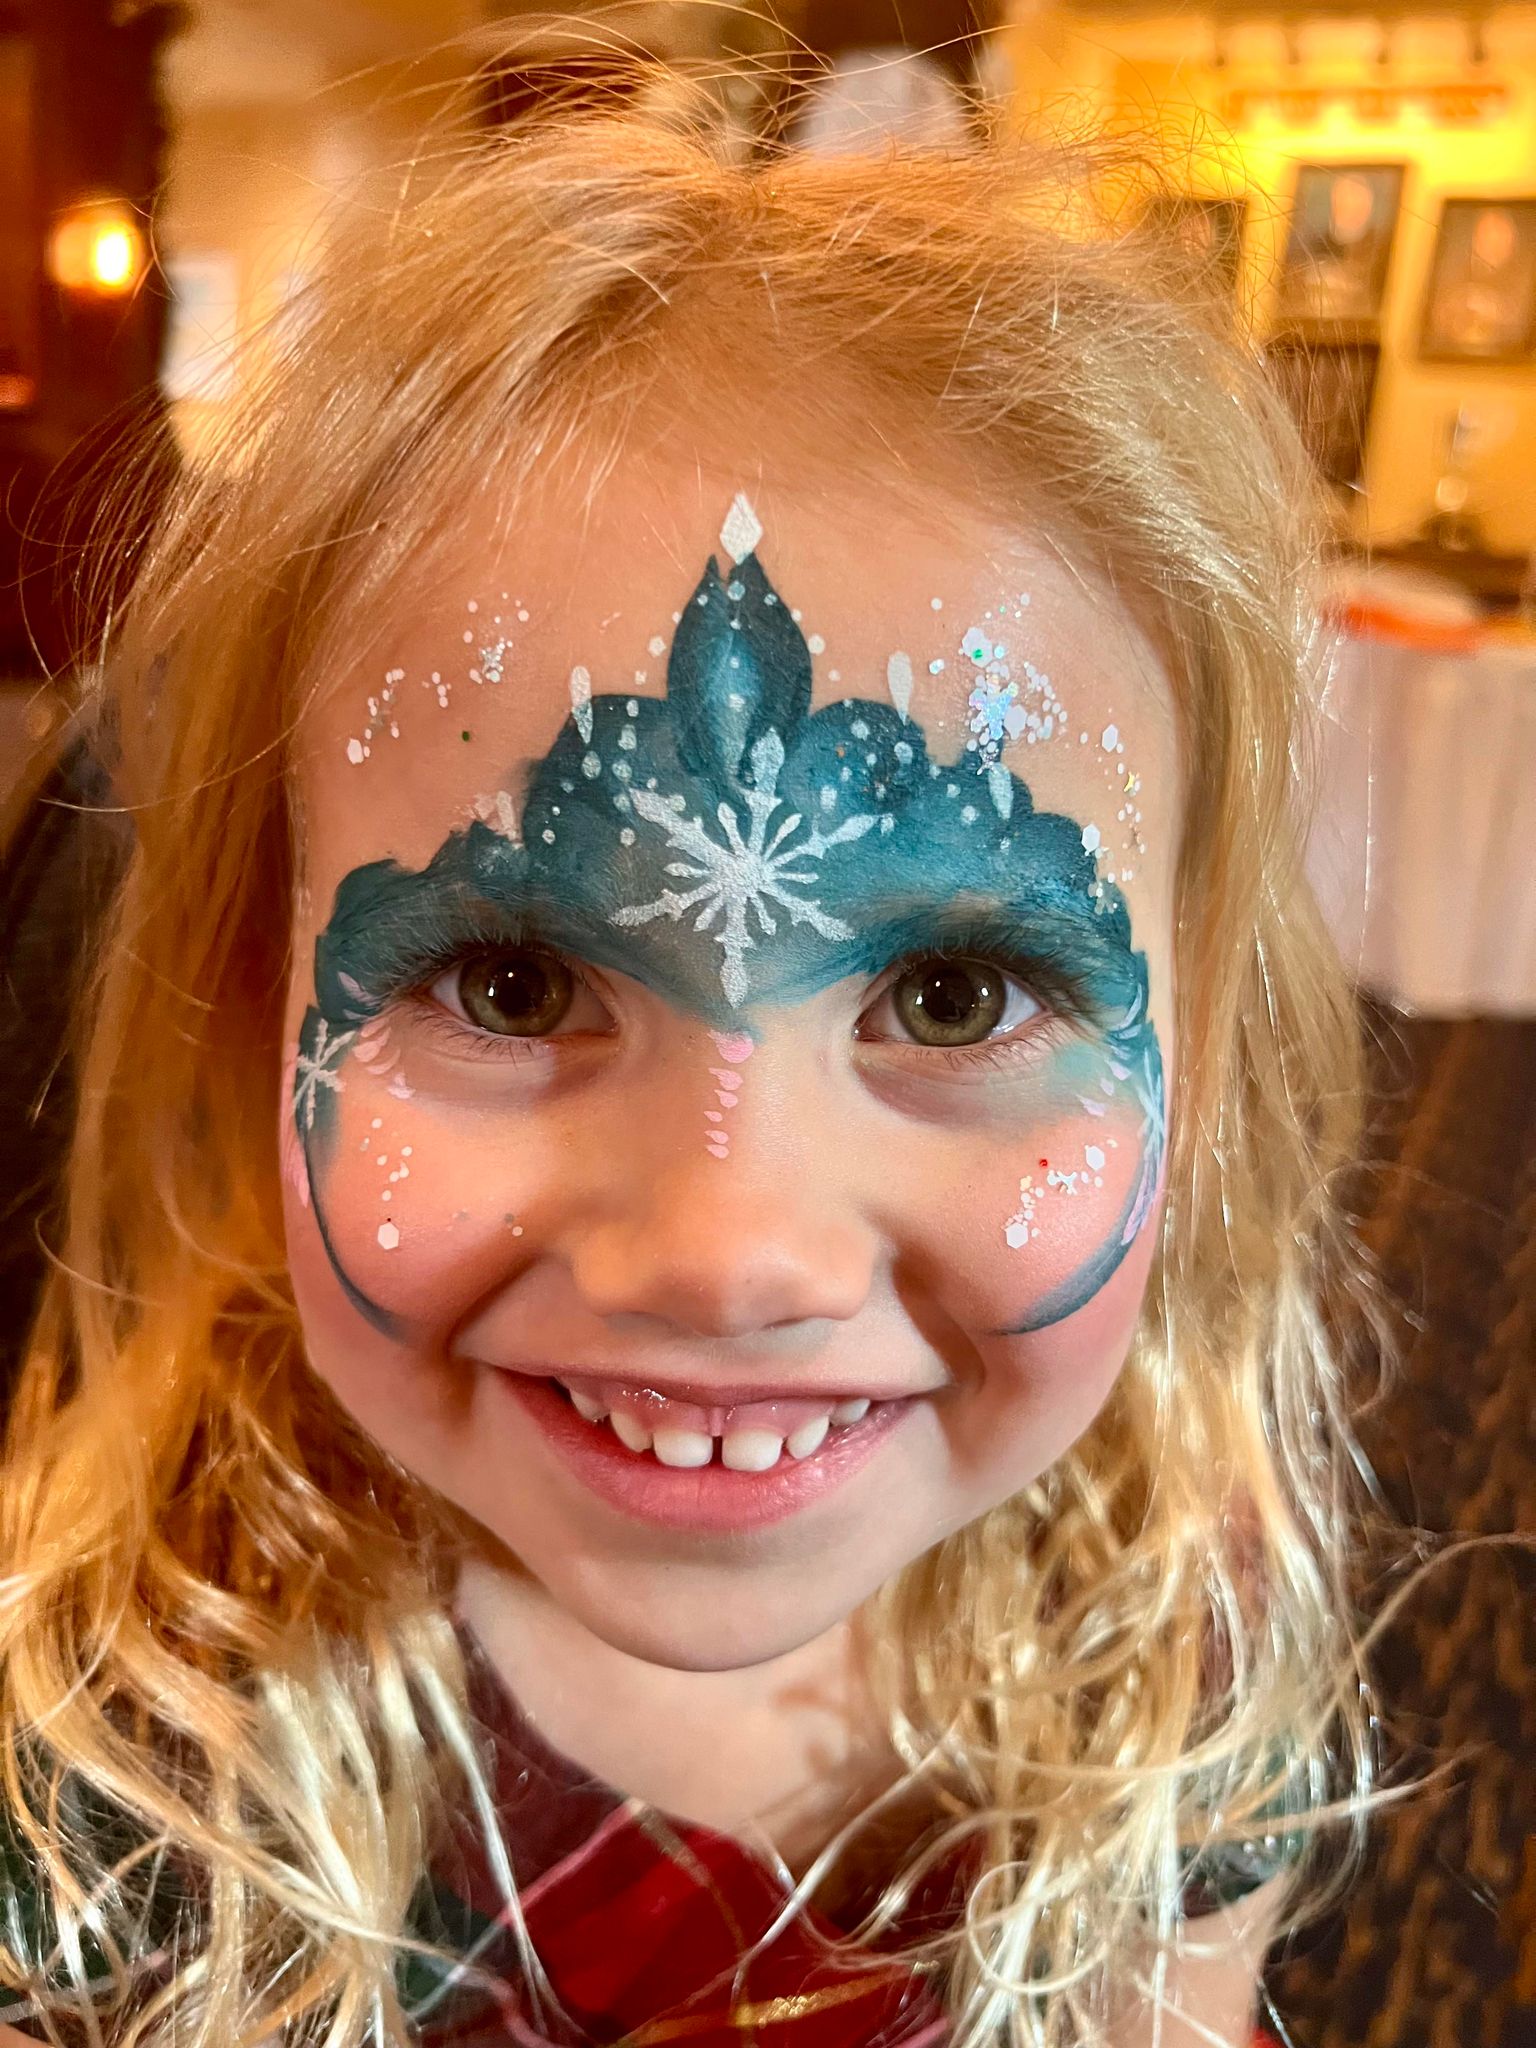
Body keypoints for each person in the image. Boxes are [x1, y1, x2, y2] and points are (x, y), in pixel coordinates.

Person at [0, 105, 1374, 2048]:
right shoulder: (110, 1767)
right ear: (253, 1016)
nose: (730, 1253)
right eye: (510, 977)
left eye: (962, 993)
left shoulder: (1181, 1626)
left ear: (1205, 1068)